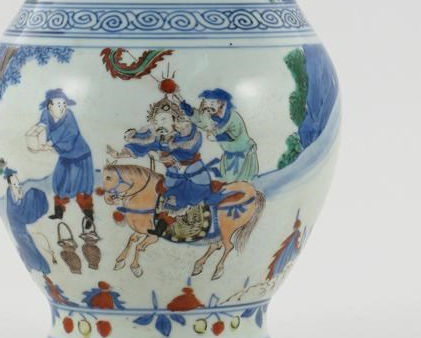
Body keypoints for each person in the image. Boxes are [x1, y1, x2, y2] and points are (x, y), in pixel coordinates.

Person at [109, 97, 223, 238]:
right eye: (156, 122)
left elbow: (190, 147)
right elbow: (140, 146)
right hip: (173, 175)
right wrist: (119, 155)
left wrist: (167, 156)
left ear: (175, 119)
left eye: (163, 119)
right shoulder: (158, 138)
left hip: (192, 174)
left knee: (184, 194)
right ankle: (160, 228)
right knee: (166, 194)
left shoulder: (185, 133)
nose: (159, 124)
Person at [38, 88, 95, 222]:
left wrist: (51, 144)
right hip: (65, 156)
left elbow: (70, 136)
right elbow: (42, 128)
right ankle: (59, 213)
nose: (63, 107)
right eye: (59, 104)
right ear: (49, 105)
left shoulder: (69, 116)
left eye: (64, 104)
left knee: (80, 187)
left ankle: (89, 216)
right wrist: (39, 139)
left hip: (79, 156)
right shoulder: (46, 114)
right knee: (59, 182)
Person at [180, 88, 259, 182]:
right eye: (205, 103)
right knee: (227, 180)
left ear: (221, 103)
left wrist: (212, 130)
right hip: (229, 155)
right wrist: (191, 112)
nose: (207, 107)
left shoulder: (232, 117)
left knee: (239, 181)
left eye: (211, 103)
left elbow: (217, 130)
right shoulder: (213, 116)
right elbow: (204, 123)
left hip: (242, 155)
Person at [4, 168, 50, 275]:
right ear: (10, 184)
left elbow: (20, 203)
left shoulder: (12, 193)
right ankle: (41, 269)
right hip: (18, 231)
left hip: (21, 229)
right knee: (29, 248)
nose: (18, 186)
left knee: (30, 247)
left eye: (18, 184)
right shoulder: (10, 195)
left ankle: (42, 269)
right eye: (15, 185)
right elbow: (18, 210)